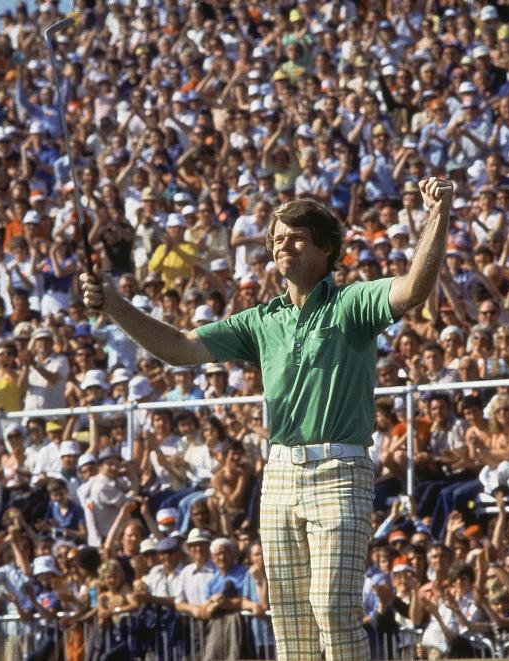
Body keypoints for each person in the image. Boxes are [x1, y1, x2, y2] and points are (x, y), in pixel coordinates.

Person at [82, 178, 453, 660]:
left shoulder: (352, 304)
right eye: (277, 238)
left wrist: (437, 215)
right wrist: (114, 305)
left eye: (296, 237)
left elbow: (413, 290)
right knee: (293, 629)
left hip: (340, 472)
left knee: (333, 610)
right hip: (278, 473)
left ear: (325, 248)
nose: (283, 245)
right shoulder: (261, 319)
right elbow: (179, 348)